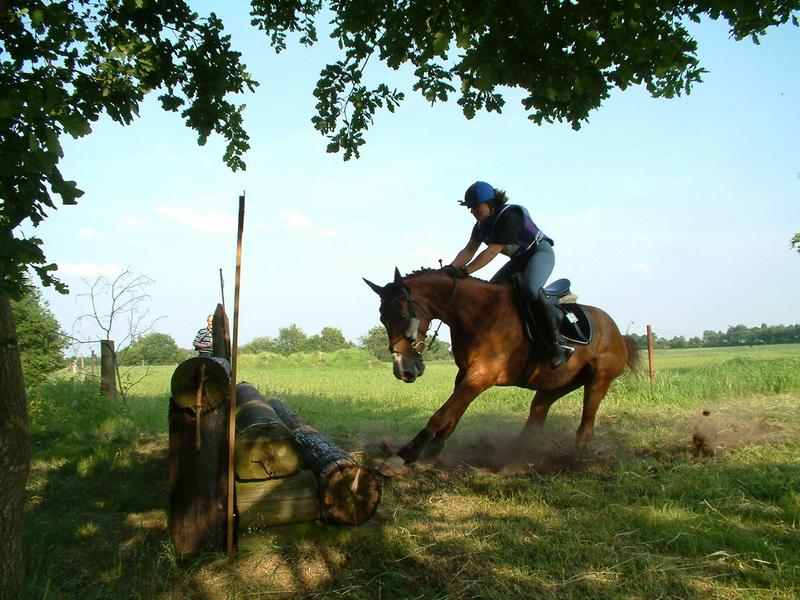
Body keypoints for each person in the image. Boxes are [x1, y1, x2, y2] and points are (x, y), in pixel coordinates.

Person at [446, 181, 573, 368]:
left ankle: (558, 344)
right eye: (469, 207)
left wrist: (465, 271)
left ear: (491, 203)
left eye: (475, 206)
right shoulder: (480, 226)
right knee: (491, 295)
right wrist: (447, 271)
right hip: (519, 260)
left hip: (539, 253)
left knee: (530, 288)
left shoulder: (511, 215)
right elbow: (468, 250)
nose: (472, 211)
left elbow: (492, 251)